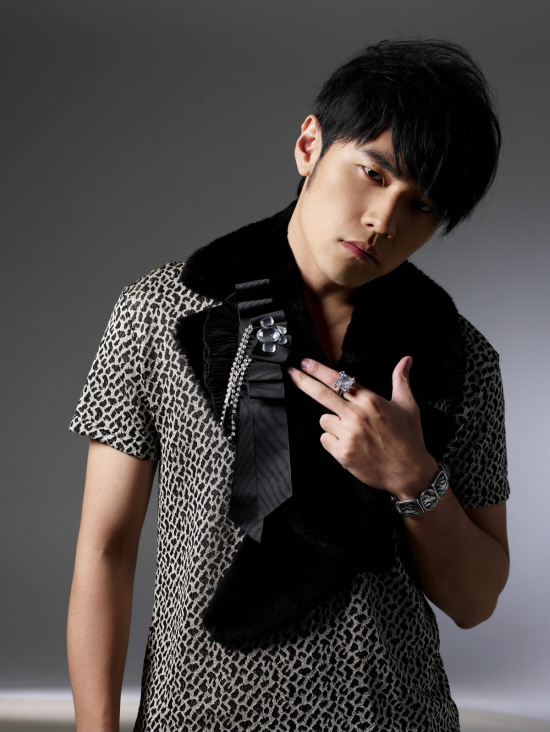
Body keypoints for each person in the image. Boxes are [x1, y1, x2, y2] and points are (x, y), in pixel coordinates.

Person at [67, 38, 510, 732]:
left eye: (422, 206)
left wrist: (413, 477)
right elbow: (105, 548)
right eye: (373, 173)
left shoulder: (461, 359)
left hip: (392, 715)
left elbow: (475, 601)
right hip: (198, 714)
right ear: (310, 146)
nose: (385, 220)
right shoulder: (159, 312)